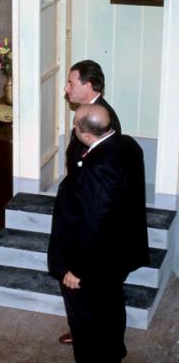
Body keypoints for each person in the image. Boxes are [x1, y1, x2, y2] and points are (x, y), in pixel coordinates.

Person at [48, 104, 149, 363]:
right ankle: (114, 351)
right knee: (111, 305)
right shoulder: (127, 144)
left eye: (75, 126)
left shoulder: (98, 169)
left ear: (86, 134)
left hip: (94, 261)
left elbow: (94, 225)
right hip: (119, 251)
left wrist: (78, 270)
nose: (73, 129)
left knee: (86, 319)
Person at [59, 59, 122, 344]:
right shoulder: (90, 112)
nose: (66, 88)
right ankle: (83, 328)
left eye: (71, 83)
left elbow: (98, 198)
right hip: (79, 210)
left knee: (90, 289)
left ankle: (88, 335)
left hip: (87, 222)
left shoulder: (104, 119)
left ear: (89, 85)